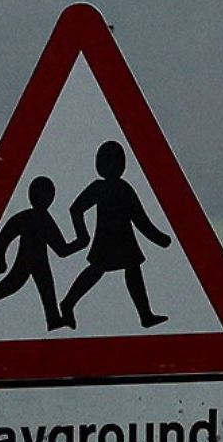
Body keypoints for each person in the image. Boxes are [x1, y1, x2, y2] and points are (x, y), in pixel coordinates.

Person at [56, 141, 170, 329]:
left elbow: (139, 218)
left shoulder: (124, 188)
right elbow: (76, 209)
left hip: (124, 239)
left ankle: (145, 315)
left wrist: (159, 238)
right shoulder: (101, 187)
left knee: (131, 270)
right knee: (97, 270)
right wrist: (83, 236)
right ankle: (68, 303)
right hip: (108, 239)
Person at [0, 176, 80, 331]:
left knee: (31, 285)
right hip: (31, 259)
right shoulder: (35, 217)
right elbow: (6, 235)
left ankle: (53, 320)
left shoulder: (37, 217)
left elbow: (61, 249)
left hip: (37, 259)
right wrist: (0, 259)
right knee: (23, 284)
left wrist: (79, 244)